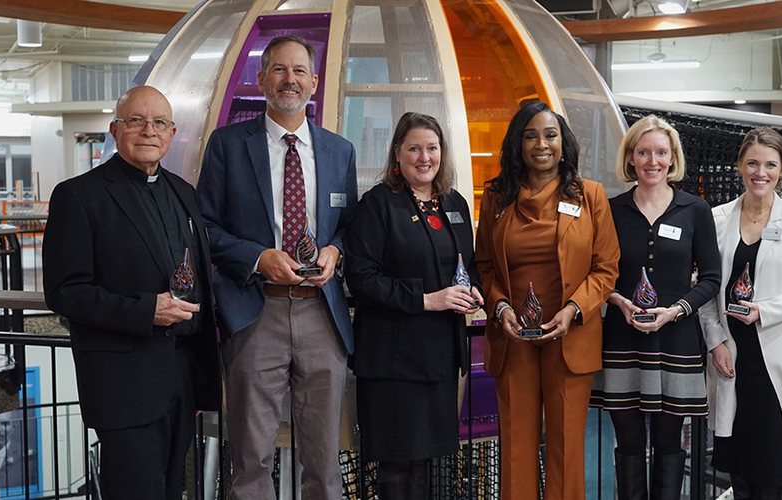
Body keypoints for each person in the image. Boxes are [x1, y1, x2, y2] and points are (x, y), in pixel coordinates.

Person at [196, 35, 357, 499]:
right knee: (250, 459)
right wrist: (258, 257)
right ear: (263, 79)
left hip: (322, 315)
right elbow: (204, 227)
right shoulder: (227, 145)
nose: (290, 80)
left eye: (299, 71)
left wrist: (335, 252)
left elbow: (350, 227)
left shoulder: (339, 151)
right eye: (280, 70)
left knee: (325, 461)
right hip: (254, 311)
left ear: (314, 82)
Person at [42, 85, 221, 500]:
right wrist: (146, 311)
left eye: (159, 122)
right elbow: (65, 293)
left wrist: (200, 378)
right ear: (114, 129)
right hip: (124, 381)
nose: (148, 131)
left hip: (181, 376)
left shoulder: (184, 192)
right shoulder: (78, 195)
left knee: (173, 491)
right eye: (136, 120)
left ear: (172, 133)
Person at [475, 101, 619, 500]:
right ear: (517, 144)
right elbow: (484, 264)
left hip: (569, 337)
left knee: (566, 447)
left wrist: (574, 310)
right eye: (531, 135)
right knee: (516, 448)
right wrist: (500, 306)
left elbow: (606, 268)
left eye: (550, 135)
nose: (542, 144)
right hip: (513, 339)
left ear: (563, 142)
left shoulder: (590, 195)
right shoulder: (496, 197)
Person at [345, 112, 484, 499]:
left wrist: (473, 290)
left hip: (439, 357)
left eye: (432, 148)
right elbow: (363, 279)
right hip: (393, 360)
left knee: (426, 460)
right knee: (396, 462)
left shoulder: (452, 203)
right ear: (397, 154)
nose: (425, 157)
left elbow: (468, 266)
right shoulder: (377, 204)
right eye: (415, 148)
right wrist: (427, 299)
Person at [589, 115, 720, 500]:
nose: (652, 161)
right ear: (630, 158)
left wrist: (676, 310)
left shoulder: (695, 209)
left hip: (676, 341)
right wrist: (616, 299)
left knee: (668, 442)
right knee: (628, 442)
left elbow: (712, 278)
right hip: (620, 340)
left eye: (661, 152)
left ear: (673, 157)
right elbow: (596, 272)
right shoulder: (609, 210)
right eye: (643, 152)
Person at [698, 127, 782, 500]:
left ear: (781, 170)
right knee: (738, 469)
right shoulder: (716, 219)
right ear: (739, 165)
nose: (760, 172)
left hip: (776, 359)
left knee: (769, 473)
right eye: (752, 162)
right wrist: (715, 340)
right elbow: (706, 288)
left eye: (770, 164)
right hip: (730, 357)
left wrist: (762, 312)